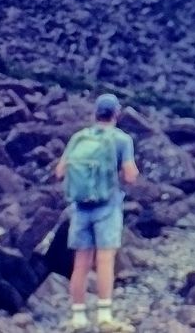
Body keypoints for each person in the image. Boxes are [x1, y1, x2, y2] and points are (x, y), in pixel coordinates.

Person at [55, 93, 140, 333]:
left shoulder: (79, 137)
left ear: (95, 113)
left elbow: (60, 172)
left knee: (80, 264)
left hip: (81, 208)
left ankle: (78, 318)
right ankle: (104, 317)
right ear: (116, 114)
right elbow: (131, 176)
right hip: (108, 207)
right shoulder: (122, 140)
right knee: (104, 261)